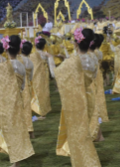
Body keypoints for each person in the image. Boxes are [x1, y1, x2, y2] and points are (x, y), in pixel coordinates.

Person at [0, 35, 35, 167]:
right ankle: (18, 158)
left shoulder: (2, 67)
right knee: (16, 129)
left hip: (5, 103)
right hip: (17, 101)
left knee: (10, 129)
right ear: (19, 49)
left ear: (6, 49)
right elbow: (22, 86)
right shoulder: (20, 66)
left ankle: (16, 161)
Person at [55, 28, 101, 167]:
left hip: (76, 100)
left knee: (78, 135)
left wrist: (52, 61)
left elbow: (57, 74)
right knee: (82, 133)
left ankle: (87, 162)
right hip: (88, 96)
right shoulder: (93, 59)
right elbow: (92, 76)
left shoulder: (73, 61)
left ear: (76, 43)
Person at [29, 36, 55, 118]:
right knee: (44, 91)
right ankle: (43, 109)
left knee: (36, 92)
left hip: (34, 75)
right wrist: (53, 74)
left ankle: (41, 110)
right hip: (44, 74)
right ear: (44, 46)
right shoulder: (46, 54)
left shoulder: (31, 55)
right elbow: (51, 63)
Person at [19, 40, 35, 138]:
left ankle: (22, 131)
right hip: (27, 87)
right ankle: (30, 131)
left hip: (19, 88)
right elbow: (31, 77)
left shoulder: (17, 60)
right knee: (27, 110)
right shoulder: (30, 62)